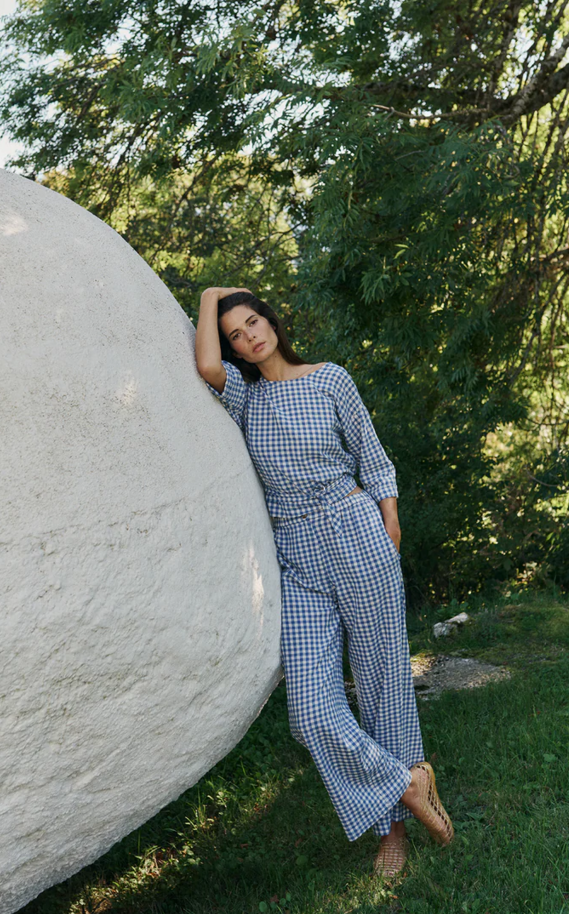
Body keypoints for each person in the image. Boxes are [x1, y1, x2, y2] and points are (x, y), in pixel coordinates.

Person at [195, 286, 453, 877]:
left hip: (356, 532)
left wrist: (387, 523)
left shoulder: (329, 378)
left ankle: (393, 832)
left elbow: (372, 453)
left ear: (272, 321)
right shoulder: (243, 399)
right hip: (297, 555)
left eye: (253, 322)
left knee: (383, 684)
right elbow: (206, 364)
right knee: (312, 709)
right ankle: (406, 782)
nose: (247, 337)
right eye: (236, 333)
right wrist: (209, 295)